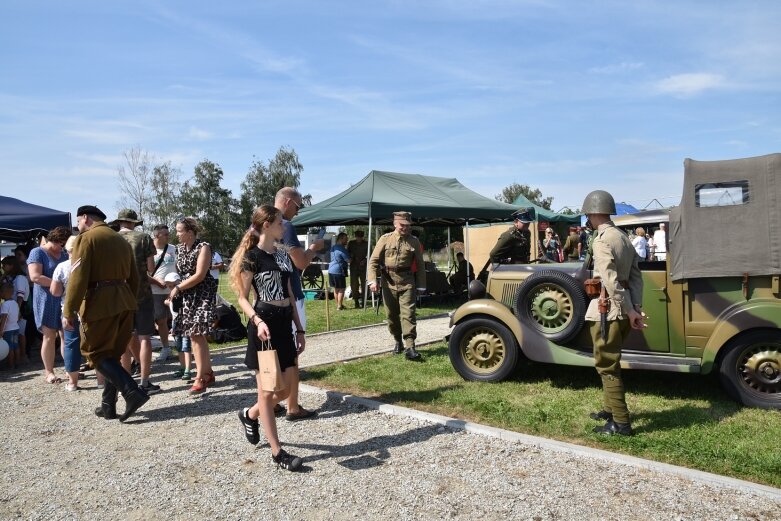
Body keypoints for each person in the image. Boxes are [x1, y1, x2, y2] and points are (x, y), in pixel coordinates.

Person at [231, 205, 306, 471]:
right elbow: (242, 297)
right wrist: (257, 320)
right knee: (267, 390)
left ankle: (250, 414)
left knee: (284, 390)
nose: (283, 226)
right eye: (279, 223)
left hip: (285, 324)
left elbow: (290, 295)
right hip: (264, 326)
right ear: (266, 226)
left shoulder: (284, 256)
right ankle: (277, 452)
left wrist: (300, 329)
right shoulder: (251, 257)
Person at [62, 205, 149, 421]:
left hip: (100, 303)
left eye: (79, 221)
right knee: (111, 355)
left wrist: (69, 309)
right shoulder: (121, 239)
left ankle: (132, 392)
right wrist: (130, 300)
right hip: (125, 302)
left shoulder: (87, 238)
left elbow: (78, 277)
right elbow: (136, 276)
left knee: (95, 353)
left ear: (84, 218)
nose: (78, 226)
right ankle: (108, 405)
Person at [581, 190, 646, 436]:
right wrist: (636, 306)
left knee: (606, 365)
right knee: (612, 361)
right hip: (624, 307)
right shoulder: (623, 236)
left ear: (593, 212)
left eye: (588, 213)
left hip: (608, 309)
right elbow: (637, 276)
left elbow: (608, 279)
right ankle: (610, 411)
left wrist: (629, 309)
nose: (587, 216)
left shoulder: (601, 240)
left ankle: (621, 423)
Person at [273, 187, 322, 420]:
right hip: (291, 294)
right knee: (293, 352)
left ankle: (272, 400)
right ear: (288, 202)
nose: (297, 211)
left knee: (271, 351)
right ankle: (292, 405)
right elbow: (300, 263)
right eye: (298, 206)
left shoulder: (256, 226)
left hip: (267, 297)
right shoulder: (286, 226)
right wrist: (313, 249)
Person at [113, 209, 161, 395]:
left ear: (120, 222)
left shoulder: (111, 238)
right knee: (144, 338)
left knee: (124, 338)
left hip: (119, 295)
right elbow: (150, 268)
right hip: (141, 294)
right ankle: (145, 381)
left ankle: (126, 382)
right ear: (133, 222)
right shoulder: (143, 238)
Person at [367, 211, 426, 360]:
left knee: (408, 315)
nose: (405, 228)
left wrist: (421, 286)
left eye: (407, 225)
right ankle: (397, 341)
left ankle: (410, 347)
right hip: (388, 282)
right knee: (392, 317)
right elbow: (373, 261)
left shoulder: (414, 241)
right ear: (394, 224)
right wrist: (372, 280)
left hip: (407, 282)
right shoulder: (385, 239)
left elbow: (419, 265)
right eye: (402, 225)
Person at [169, 217, 217, 395]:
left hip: (202, 294)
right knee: (194, 334)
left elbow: (200, 275)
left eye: (179, 231)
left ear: (190, 232)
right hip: (187, 296)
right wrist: (174, 285)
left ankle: (200, 377)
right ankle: (208, 372)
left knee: (196, 334)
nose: (177, 234)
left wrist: (178, 287)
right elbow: (179, 272)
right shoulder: (180, 249)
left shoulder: (203, 246)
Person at [27, 225, 70, 384]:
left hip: (63, 299)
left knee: (67, 335)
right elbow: (35, 277)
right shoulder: (37, 252)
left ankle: (69, 369)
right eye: (61, 244)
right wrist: (57, 283)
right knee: (49, 336)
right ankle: (49, 372)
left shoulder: (64, 254)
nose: (62, 248)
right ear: (55, 240)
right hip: (46, 299)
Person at [50, 235, 82, 391]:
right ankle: (101, 379)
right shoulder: (90, 264)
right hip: (89, 310)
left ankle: (72, 382)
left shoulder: (61, 267)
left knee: (71, 345)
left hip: (69, 310)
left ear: (67, 250)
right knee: (96, 343)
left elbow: (55, 292)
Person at [150, 224, 177, 363]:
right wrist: (155, 281)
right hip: (155, 291)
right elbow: (144, 271)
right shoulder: (149, 250)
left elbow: (178, 267)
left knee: (176, 319)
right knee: (160, 320)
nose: (168, 236)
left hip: (173, 290)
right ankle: (166, 347)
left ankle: (183, 347)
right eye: (165, 234)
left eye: (168, 233)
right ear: (156, 236)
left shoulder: (173, 249)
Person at [163, 272, 194, 380]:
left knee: (186, 347)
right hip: (176, 323)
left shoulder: (183, 294)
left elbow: (177, 309)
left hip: (185, 323)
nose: (171, 288)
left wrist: (169, 303)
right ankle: (183, 367)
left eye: (172, 285)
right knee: (179, 347)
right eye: (169, 286)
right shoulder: (173, 294)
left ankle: (188, 369)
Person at [1, 256, 30, 363]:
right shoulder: (10, 277)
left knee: (21, 334)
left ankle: (23, 355)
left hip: (19, 307)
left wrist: (17, 311)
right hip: (14, 307)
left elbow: (20, 296)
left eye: (5, 265)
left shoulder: (20, 278)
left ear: (12, 265)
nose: (3, 267)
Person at [0, 282, 20, 370]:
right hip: (16, 328)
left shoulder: (5, 305)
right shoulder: (15, 303)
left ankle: (10, 365)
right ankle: (17, 363)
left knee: (10, 348)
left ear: (4, 293)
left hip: (8, 330)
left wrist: (1, 331)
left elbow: (4, 319)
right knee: (16, 346)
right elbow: (18, 316)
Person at [328, 232, 350, 311]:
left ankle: (338, 305)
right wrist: (353, 257)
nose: (347, 241)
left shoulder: (333, 247)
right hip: (339, 271)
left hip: (331, 270)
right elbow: (348, 260)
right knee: (341, 289)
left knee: (336, 289)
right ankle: (339, 306)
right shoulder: (342, 249)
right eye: (346, 239)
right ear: (341, 239)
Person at [347, 230, 368, 308]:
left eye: (360, 237)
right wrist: (351, 256)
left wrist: (365, 260)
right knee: (354, 285)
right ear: (355, 236)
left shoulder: (366, 244)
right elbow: (347, 253)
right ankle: (356, 301)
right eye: (357, 236)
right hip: (354, 267)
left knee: (364, 285)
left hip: (363, 267)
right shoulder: (351, 243)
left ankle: (363, 300)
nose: (359, 238)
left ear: (362, 237)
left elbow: (370, 254)